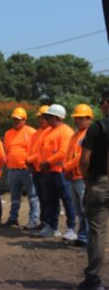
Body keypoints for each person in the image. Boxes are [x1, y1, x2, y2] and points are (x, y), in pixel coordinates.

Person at [78, 91, 109, 290]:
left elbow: (84, 160)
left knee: (97, 232)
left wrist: (87, 179)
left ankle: (93, 280)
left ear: (106, 103)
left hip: (101, 182)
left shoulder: (98, 128)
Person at [38, 104, 76, 239]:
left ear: (56, 117)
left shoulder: (66, 131)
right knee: (50, 201)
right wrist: (42, 164)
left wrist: (48, 162)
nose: (45, 119)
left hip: (60, 172)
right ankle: (52, 227)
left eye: (48, 116)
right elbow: (42, 150)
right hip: (48, 172)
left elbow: (63, 152)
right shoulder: (48, 131)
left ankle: (71, 228)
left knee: (67, 200)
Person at [2, 107, 39, 229]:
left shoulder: (31, 132)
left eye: (18, 119)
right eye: (14, 119)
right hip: (13, 169)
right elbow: (7, 150)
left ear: (24, 120)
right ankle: (13, 218)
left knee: (33, 196)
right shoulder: (8, 134)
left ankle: (33, 220)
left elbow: (37, 151)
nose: (16, 122)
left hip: (26, 169)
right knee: (14, 197)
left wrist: (31, 164)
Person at [63, 104, 94, 247]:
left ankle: (88, 239)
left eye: (81, 118)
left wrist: (66, 167)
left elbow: (81, 157)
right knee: (79, 210)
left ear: (89, 119)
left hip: (83, 178)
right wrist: (67, 169)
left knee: (85, 209)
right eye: (76, 118)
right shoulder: (74, 136)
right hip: (73, 177)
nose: (77, 121)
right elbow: (68, 155)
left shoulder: (90, 134)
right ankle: (82, 237)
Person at [25, 105, 51, 231]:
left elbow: (42, 153)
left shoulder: (49, 132)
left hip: (45, 170)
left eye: (44, 117)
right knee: (41, 197)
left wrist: (29, 160)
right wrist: (30, 163)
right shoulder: (36, 133)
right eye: (40, 117)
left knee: (48, 198)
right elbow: (32, 150)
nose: (41, 120)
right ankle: (43, 221)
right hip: (35, 170)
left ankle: (48, 223)